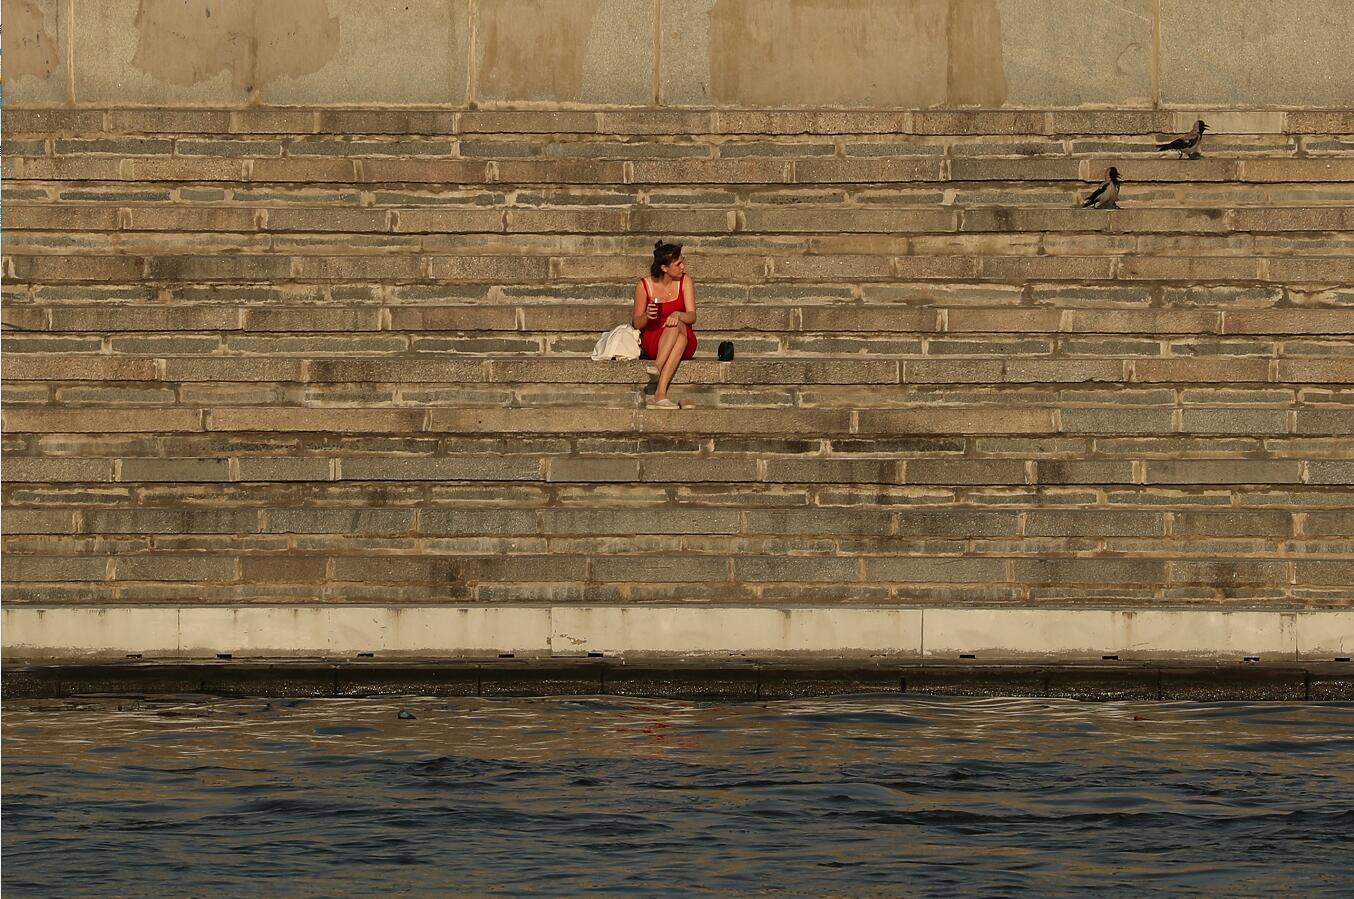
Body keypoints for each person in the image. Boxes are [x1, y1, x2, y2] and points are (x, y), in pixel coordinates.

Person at [632, 240, 697, 409]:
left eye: (683, 262)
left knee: (677, 327)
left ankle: (657, 367)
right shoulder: (644, 285)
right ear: (664, 268)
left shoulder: (685, 281)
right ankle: (660, 395)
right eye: (678, 264)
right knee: (679, 339)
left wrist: (678, 314)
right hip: (656, 339)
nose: (683, 267)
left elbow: (691, 316)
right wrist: (647, 316)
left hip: (685, 334)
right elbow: (637, 323)